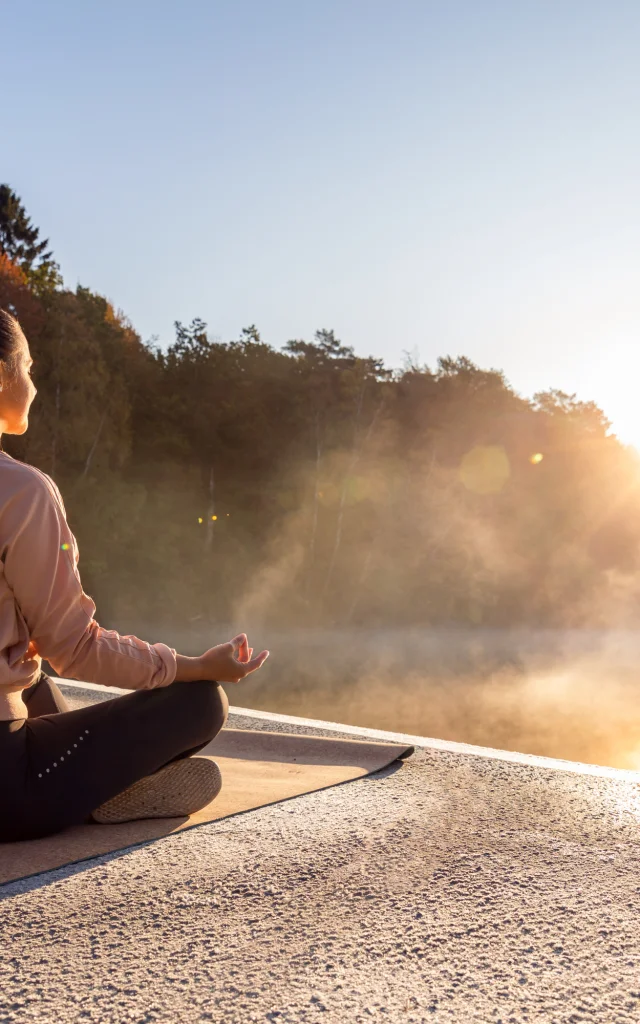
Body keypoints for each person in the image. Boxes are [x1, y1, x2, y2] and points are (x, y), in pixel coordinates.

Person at [0, 308, 269, 842]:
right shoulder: (22, 493)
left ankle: (93, 781)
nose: (33, 380)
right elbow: (76, 647)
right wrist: (193, 665)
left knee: (37, 687)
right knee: (201, 703)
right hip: (6, 791)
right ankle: (100, 793)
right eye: (28, 366)